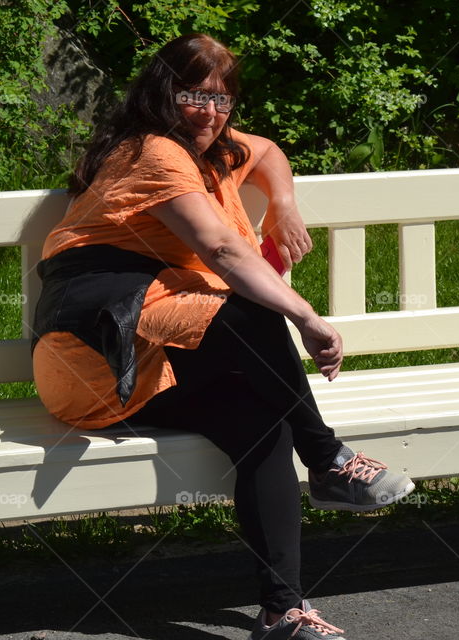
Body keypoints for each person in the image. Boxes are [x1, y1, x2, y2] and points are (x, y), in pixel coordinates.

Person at [31, 32, 414, 639]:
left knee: (264, 423)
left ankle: (282, 611)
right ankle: (328, 458)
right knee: (250, 309)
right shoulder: (153, 152)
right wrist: (306, 316)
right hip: (93, 355)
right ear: (161, 94)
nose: (210, 112)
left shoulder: (212, 146)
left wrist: (284, 202)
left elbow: (264, 152)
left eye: (223, 99)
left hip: (162, 360)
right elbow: (222, 249)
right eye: (193, 95)